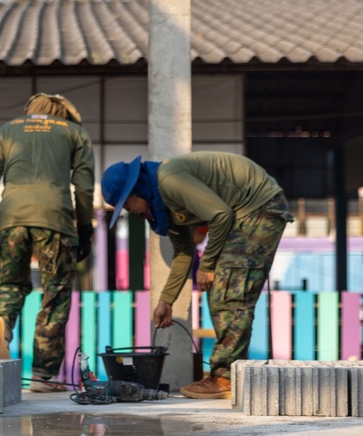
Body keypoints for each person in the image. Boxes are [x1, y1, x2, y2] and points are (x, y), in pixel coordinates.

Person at [101, 152, 293, 400]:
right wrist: (166, 301)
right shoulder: (162, 203)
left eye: (127, 205)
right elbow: (184, 252)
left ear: (136, 192)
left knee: (229, 290)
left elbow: (220, 215)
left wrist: (208, 265)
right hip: (241, 213)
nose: (130, 211)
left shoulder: (169, 182)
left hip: (257, 205)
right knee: (224, 287)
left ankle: (225, 377)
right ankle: (226, 374)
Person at [0, 93, 95, 392]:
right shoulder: (75, 133)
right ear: (62, 112)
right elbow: (83, 186)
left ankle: (2, 321)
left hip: (13, 216)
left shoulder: (8, 129)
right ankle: (43, 375)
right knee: (55, 294)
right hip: (55, 218)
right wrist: (85, 230)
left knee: (10, 283)